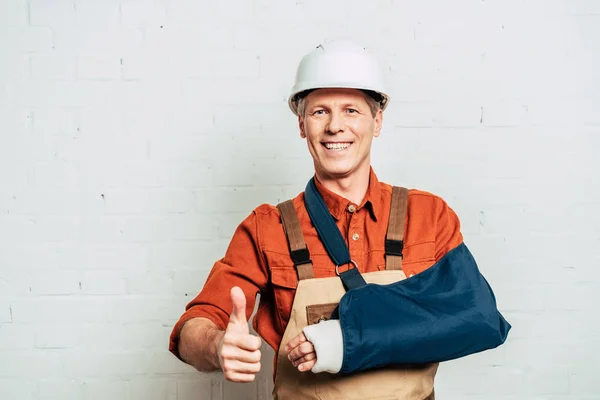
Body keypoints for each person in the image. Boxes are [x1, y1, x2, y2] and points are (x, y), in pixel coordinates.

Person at [169, 40, 509, 399]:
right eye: (319, 112)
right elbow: (195, 323)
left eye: (351, 110)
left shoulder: (429, 216)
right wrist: (217, 345)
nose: (334, 126)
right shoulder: (267, 227)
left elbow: (476, 319)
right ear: (301, 125)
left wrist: (344, 341)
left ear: (377, 121)